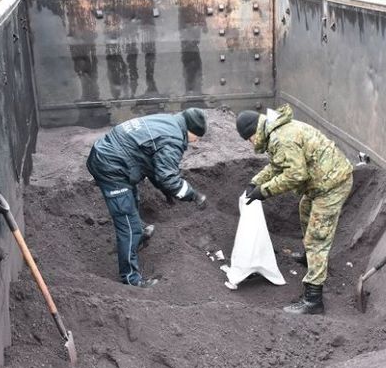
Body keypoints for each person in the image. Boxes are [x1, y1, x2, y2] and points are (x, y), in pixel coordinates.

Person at [236, 104, 353, 314]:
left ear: (254, 132)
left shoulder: (282, 137)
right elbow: (277, 165)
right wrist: (256, 182)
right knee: (305, 209)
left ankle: (313, 299)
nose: (251, 143)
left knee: (317, 237)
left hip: (332, 184)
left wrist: (264, 191)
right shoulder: (276, 131)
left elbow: (295, 175)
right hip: (321, 181)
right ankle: (310, 258)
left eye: (248, 139)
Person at [87, 109, 208, 288]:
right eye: (197, 136)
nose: (196, 141)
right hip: (111, 166)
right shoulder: (173, 139)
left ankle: (141, 232)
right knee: (127, 224)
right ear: (190, 130)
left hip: (112, 156)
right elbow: (167, 177)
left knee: (131, 199)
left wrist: (165, 190)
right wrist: (194, 195)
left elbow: (152, 162)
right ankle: (131, 279)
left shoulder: (168, 121)